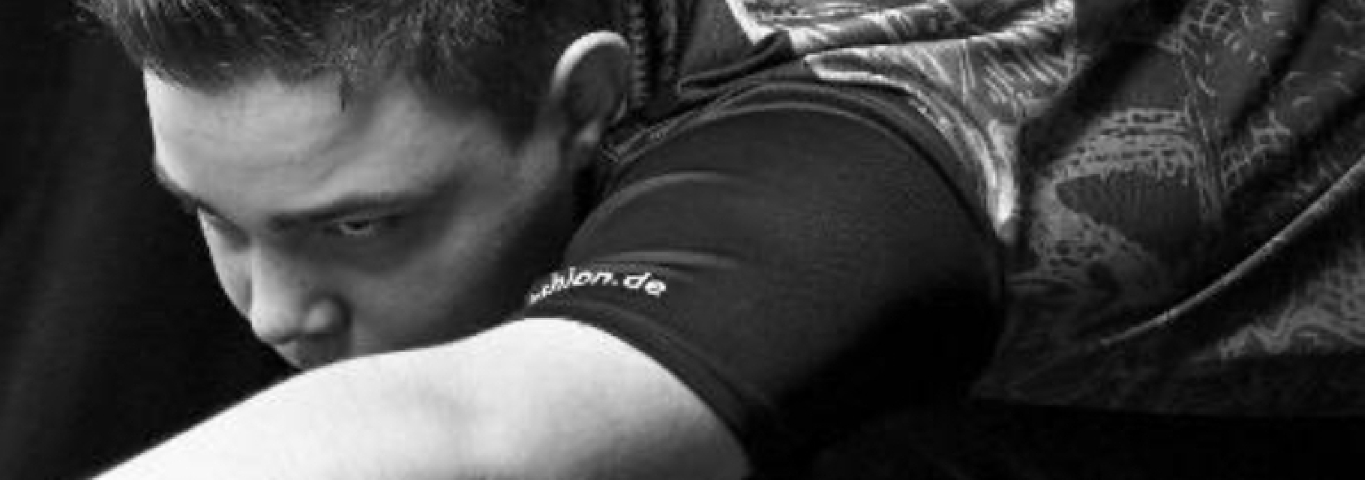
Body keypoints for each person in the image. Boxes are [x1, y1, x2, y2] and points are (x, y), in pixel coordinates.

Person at [83, 0, 1365, 478]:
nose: (276, 313)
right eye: (211, 215)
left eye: (361, 222)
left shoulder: (855, 133)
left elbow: (478, 434)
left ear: (585, 102)